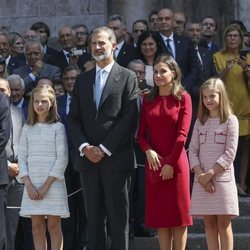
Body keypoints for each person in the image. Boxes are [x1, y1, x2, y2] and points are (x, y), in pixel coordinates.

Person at [68, 26, 138, 250]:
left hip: (116, 160)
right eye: (93, 43)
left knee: (118, 221)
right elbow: (74, 119)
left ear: (114, 46)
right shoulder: (82, 80)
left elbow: (129, 118)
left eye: (102, 43)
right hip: (88, 162)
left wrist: (104, 148)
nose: (97, 47)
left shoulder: (128, 77)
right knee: (94, 221)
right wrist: (86, 147)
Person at [137, 54, 192, 250]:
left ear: (174, 73)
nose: (159, 75)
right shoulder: (148, 99)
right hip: (154, 165)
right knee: (161, 219)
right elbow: (141, 134)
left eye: (163, 71)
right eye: (156, 72)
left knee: (178, 218)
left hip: (176, 164)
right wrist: (148, 150)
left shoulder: (183, 97)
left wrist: (170, 163)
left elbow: (183, 134)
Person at [189, 77, 239, 250]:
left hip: (222, 181)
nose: (208, 100)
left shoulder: (231, 120)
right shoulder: (199, 122)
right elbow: (192, 150)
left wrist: (209, 174)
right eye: (204, 97)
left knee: (223, 224)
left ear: (221, 95)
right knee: (208, 224)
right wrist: (200, 174)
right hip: (201, 181)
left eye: (212, 96)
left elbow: (230, 153)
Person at [18, 84, 69, 250]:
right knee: (36, 228)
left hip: (53, 184)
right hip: (31, 184)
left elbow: (62, 158)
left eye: (44, 101)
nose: (40, 105)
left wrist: (46, 186)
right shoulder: (27, 129)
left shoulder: (58, 128)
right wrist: (28, 184)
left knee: (54, 227)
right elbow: (22, 157)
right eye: (36, 101)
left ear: (52, 103)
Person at [213, 23, 250, 196]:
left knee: (244, 149)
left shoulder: (248, 57)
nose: (233, 38)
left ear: (241, 39)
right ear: (225, 38)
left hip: (245, 107)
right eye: (230, 35)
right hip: (227, 108)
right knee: (227, 149)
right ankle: (229, 184)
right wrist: (226, 70)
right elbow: (213, 82)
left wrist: (247, 69)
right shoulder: (218, 56)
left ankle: (241, 183)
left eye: (236, 36)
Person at [0, 78, 24, 250]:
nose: (3, 93)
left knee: (12, 226)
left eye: (4, 90)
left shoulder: (19, 112)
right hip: (3, 170)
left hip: (19, 176)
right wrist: (7, 165)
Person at [156, 8, 199, 92]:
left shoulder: (186, 42)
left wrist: (183, 87)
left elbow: (195, 68)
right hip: (161, 90)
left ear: (174, 21)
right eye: (160, 19)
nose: (163, 21)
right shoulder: (152, 40)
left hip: (183, 90)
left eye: (167, 19)